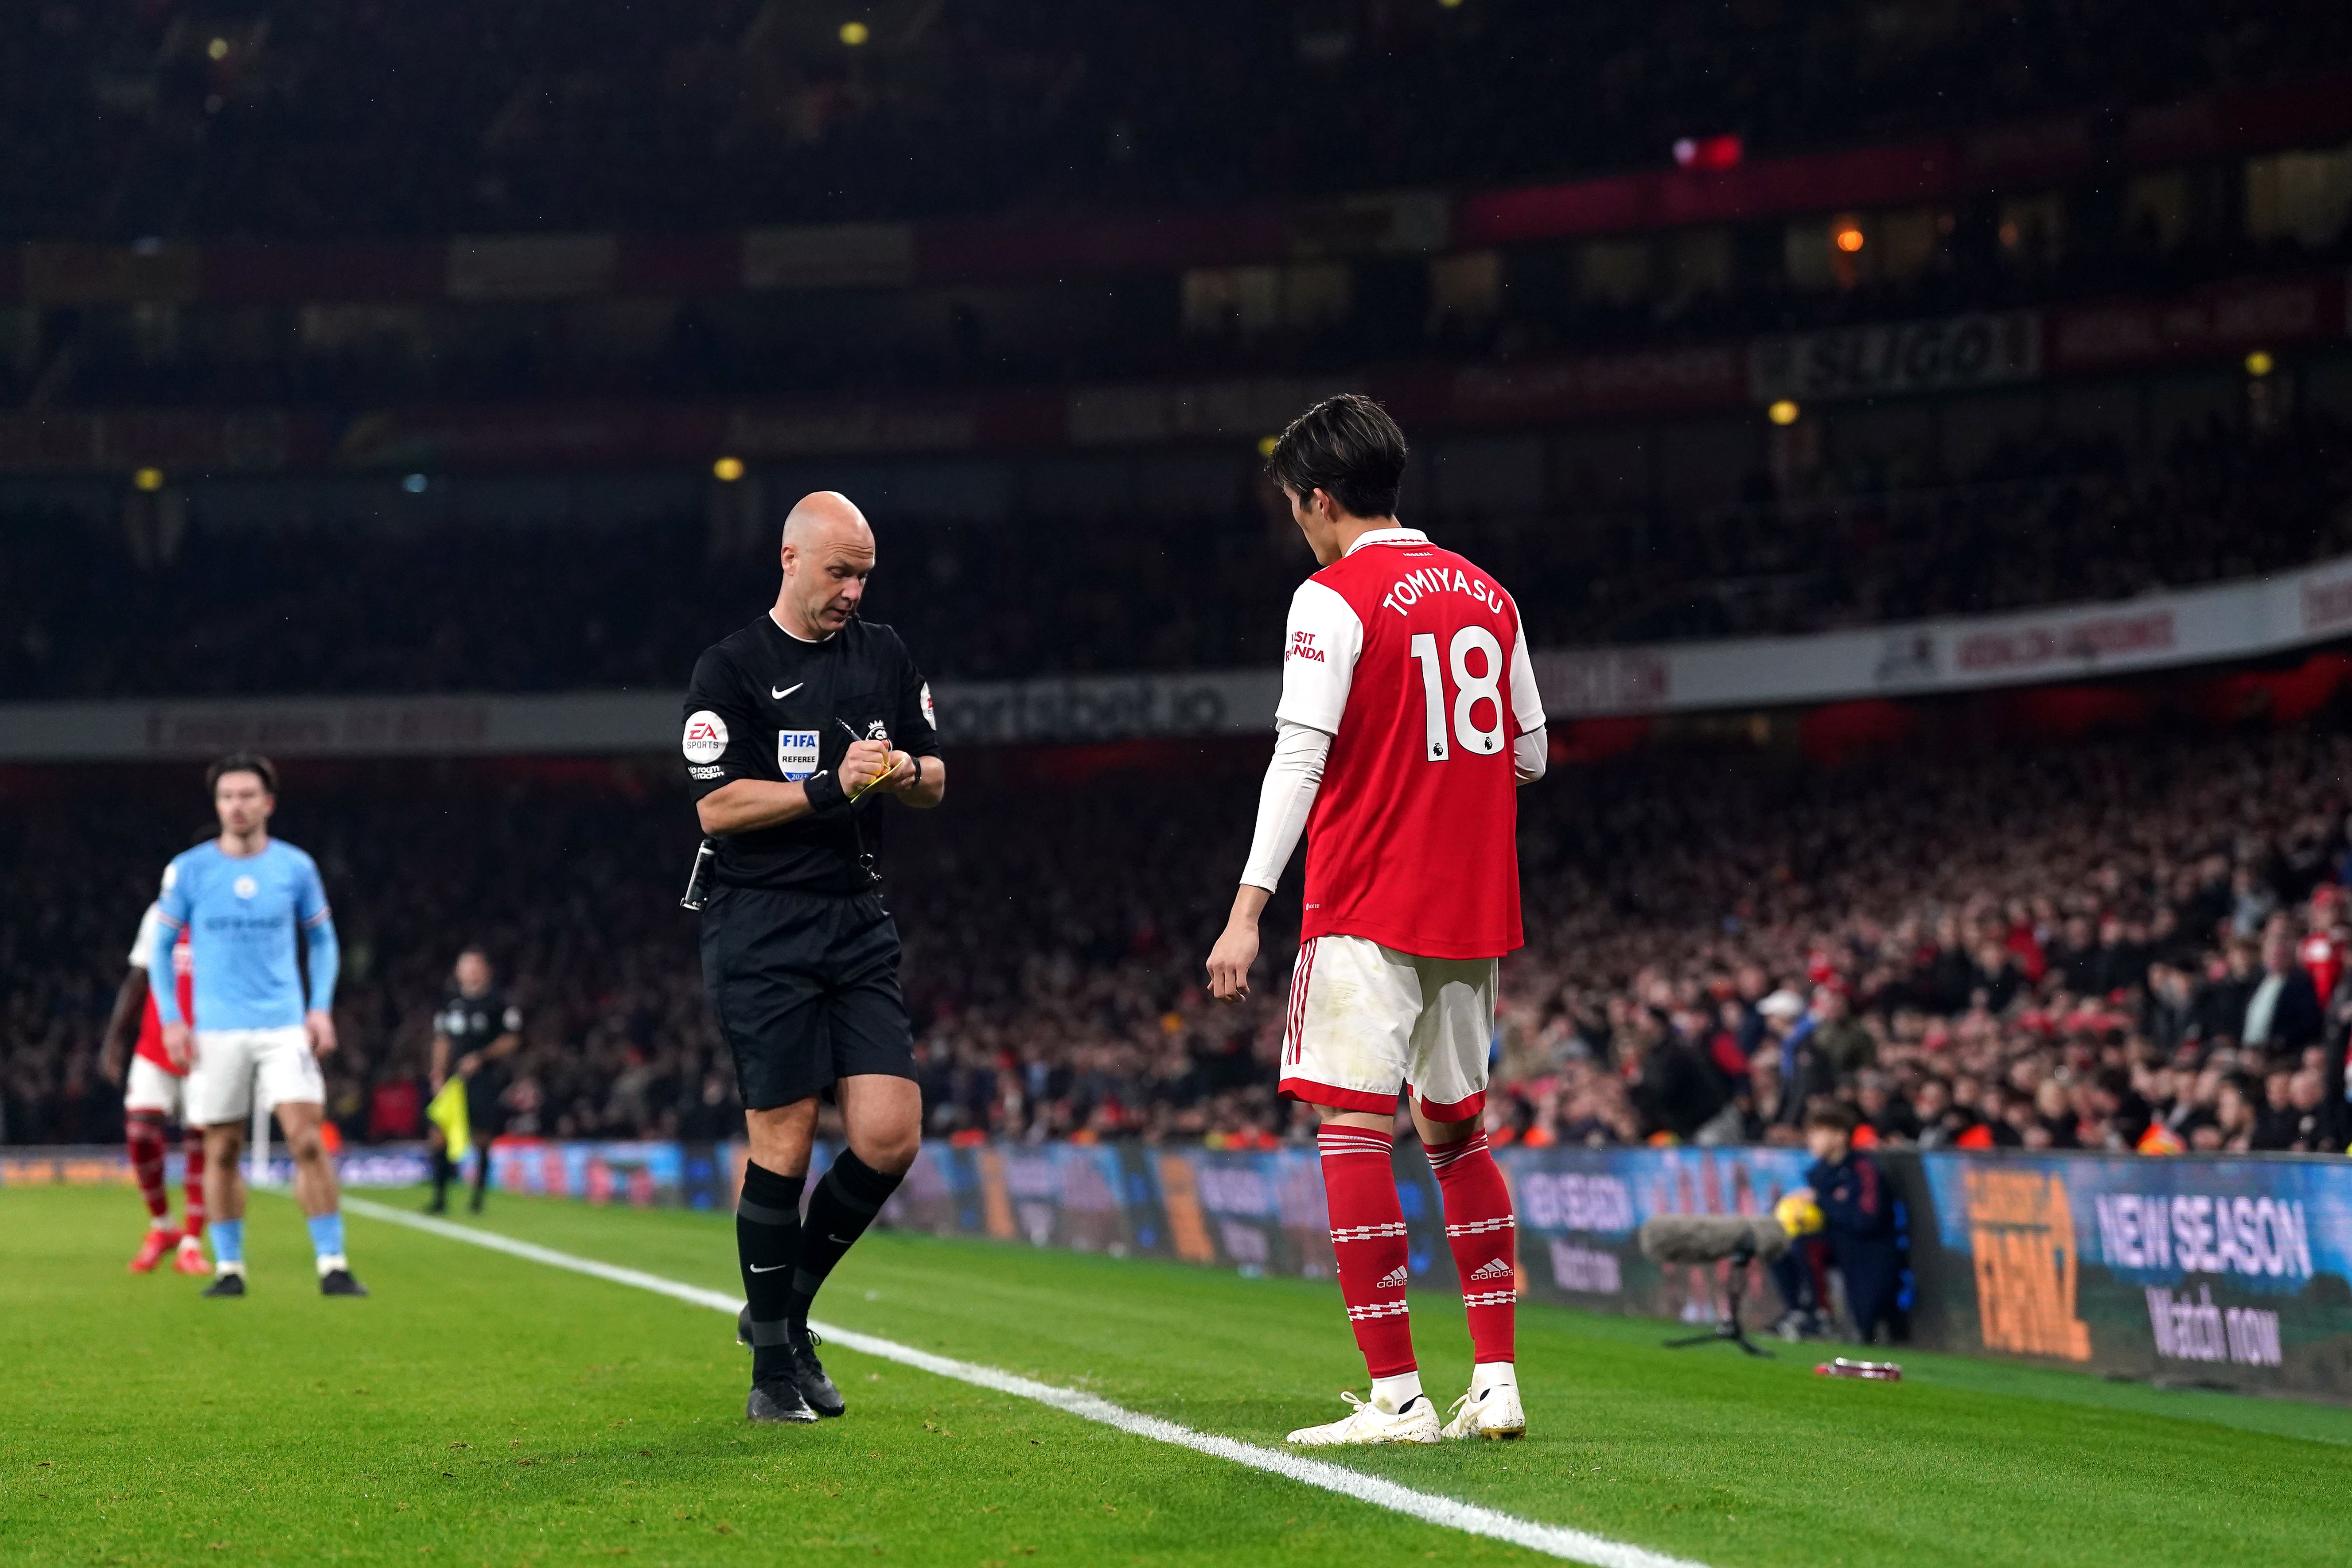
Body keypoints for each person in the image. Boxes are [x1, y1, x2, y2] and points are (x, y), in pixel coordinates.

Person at [1205, 394, 1547, 1446]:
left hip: (1363, 899)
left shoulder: (1331, 595)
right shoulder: (1488, 593)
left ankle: (1396, 1395)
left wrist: (1245, 908)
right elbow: (1530, 752)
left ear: (1319, 498)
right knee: (1456, 1137)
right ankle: (1496, 1380)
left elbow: (1300, 754)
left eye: (1294, 508)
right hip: (1472, 905)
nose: (1297, 528)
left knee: (1352, 1128)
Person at [682, 490, 946, 1425]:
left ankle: (781, 1312)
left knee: (887, 1135)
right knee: (784, 1136)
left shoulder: (883, 652)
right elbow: (716, 807)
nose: (853, 589)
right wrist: (826, 786)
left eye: (865, 572)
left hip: (855, 915)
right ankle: (771, 1373)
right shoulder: (732, 668)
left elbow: (934, 772)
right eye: (839, 570)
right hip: (759, 921)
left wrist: (903, 772)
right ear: (789, 558)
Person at [152, 753, 363, 1298]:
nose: (237, 805)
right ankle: (230, 1269)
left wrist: (319, 1008)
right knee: (221, 1149)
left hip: (282, 1025)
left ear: (267, 803)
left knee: (306, 1138)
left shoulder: (295, 867)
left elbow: (323, 941)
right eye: (227, 797)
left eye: (247, 795)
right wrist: (173, 1020)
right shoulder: (190, 869)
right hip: (216, 1030)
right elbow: (158, 948)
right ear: (217, 804)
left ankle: (333, 1262)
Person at [99, 901, 208, 1276]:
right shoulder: (161, 912)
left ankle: (192, 1244)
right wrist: (114, 1040)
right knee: (140, 1131)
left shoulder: (229, 913)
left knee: (203, 1141)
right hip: (156, 1041)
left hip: (210, 1048)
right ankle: (163, 1227)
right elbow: (138, 976)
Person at [1771, 1105, 1902, 1343]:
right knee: (1779, 1246)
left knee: (1870, 1324)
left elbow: (1866, 1220)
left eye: (1817, 1132)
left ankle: (1823, 1317)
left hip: (1867, 1249)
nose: (1810, 1140)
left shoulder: (1864, 1170)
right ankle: (1802, 1312)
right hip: (1835, 1243)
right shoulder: (1818, 1173)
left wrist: (1821, 1201)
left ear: (1840, 1137)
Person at [425, 949, 523, 1214]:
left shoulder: (498, 1002)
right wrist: (437, 1073)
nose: (470, 971)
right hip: (452, 1081)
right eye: (465, 966)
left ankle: (477, 1198)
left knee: (482, 1136)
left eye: (474, 966)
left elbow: (512, 1039)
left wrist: (481, 1057)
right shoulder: (450, 1002)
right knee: (438, 1133)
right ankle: (439, 1198)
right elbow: (442, 1040)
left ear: (485, 970)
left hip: (485, 1079)